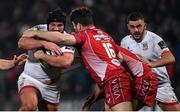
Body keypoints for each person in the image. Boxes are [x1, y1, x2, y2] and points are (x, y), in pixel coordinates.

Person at [21, 7, 158, 111]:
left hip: (120, 80)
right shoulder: (105, 35)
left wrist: (33, 33)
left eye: (74, 27)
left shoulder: (84, 35)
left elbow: (62, 38)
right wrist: (95, 97)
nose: (74, 30)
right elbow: (116, 61)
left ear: (78, 25)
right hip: (137, 77)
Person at [120, 11, 180, 111]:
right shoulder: (125, 42)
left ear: (145, 26)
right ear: (128, 27)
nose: (136, 30)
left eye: (139, 26)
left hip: (160, 85)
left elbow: (170, 58)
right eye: (132, 27)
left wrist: (151, 64)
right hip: (139, 86)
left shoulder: (155, 39)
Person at [17, 8, 75, 111]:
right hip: (31, 79)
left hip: (52, 87)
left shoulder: (67, 38)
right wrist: (44, 43)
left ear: (64, 26)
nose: (56, 29)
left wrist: (42, 56)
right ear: (48, 25)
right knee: (29, 107)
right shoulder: (39, 30)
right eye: (53, 24)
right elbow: (21, 43)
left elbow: (65, 62)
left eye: (59, 25)